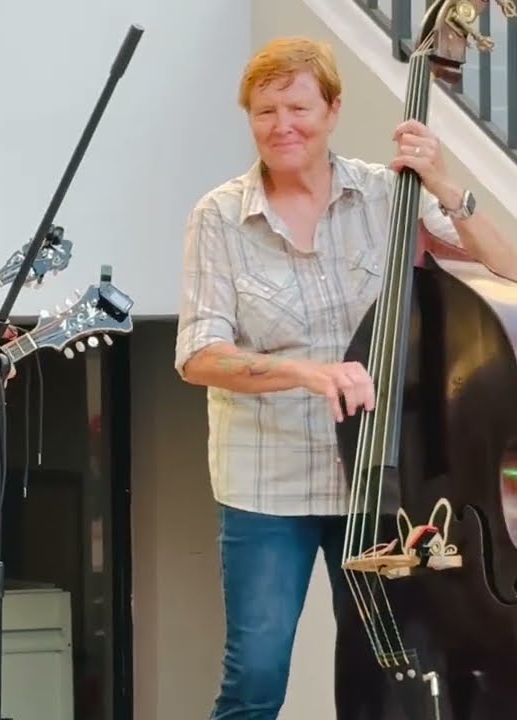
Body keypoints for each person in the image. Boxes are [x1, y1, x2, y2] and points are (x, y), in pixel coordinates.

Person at [174, 37, 517, 719]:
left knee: (387, 675)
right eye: (265, 111)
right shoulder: (218, 217)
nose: (283, 125)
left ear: (333, 109)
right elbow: (197, 355)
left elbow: (508, 266)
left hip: (387, 484)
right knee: (257, 678)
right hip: (268, 486)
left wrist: (445, 182)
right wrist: (307, 372)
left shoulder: (388, 194)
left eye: (298, 106)